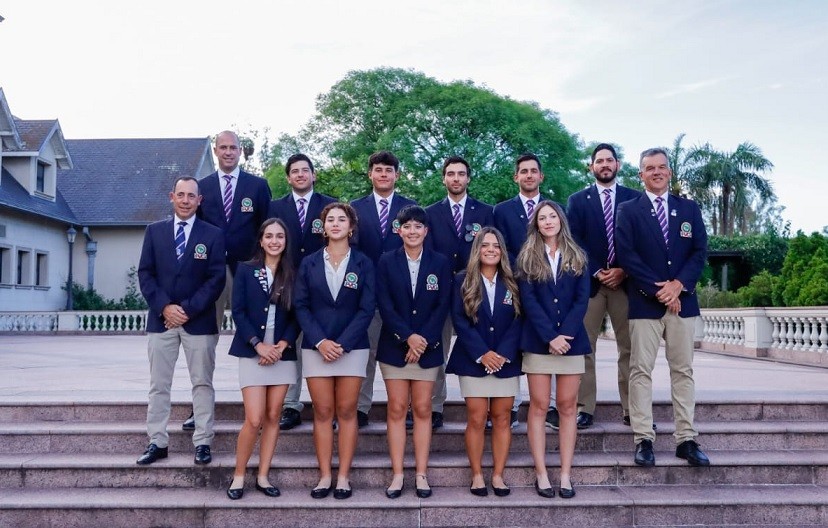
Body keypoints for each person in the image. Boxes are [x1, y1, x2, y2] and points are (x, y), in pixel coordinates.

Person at [616, 148, 710, 468]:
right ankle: (643, 438)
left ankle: (686, 439)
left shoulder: (689, 209)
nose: (656, 172)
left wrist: (678, 285)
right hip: (645, 304)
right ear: (640, 174)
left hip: (683, 303)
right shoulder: (629, 210)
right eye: (649, 168)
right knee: (640, 371)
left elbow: (699, 251)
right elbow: (627, 256)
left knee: (683, 371)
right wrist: (660, 290)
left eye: (661, 167)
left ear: (669, 172)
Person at [136, 176, 226, 466]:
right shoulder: (154, 232)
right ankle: (157, 442)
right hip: (161, 321)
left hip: (198, 322)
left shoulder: (213, 235)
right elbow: (145, 273)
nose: (186, 200)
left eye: (191, 196)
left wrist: (185, 310)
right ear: (171, 196)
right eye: (181, 194)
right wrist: (164, 307)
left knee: (202, 383)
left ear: (200, 200)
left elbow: (216, 279)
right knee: (159, 385)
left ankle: (203, 441)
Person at [187, 130, 271, 432]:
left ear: (240, 151)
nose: (228, 152)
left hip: (248, 270)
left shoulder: (257, 186)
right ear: (215, 151)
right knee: (203, 341)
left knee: (256, 334)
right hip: (209, 273)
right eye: (222, 147)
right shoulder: (202, 187)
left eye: (233, 147)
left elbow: (268, 229)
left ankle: (261, 404)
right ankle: (200, 407)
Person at [294, 202, 376, 500]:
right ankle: (325, 475)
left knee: (347, 411)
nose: (336, 224)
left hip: (352, 348)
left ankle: (343, 477)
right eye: (331, 219)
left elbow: (367, 308)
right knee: (323, 411)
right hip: (317, 349)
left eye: (342, 219)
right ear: (323, 227)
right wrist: (321, 341)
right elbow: (301, 305)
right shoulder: (309, 263)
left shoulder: (364, 263)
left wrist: (343, 343)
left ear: (351, 227)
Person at [376, 205, 451, 499]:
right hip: (394, 346)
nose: (412, 231)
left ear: (426, 231)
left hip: (428, 348)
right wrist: (407, 337)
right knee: (396, 409)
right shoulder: (386, 261)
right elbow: (385, 304)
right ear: (399, 230)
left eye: (418, 226)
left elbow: (442, 305)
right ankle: (397, 474)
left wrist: (423, 341)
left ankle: (421, 474)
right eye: (406, 226)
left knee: (422, 409)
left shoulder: (440, 262)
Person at [517, 200, 589, 499]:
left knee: (568, 406)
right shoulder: (527, 257)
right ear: (536, 224)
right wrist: (550, 336)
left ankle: (566, 474)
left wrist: (565, 335)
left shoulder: (578, 255)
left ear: (561, 220)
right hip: (539, 342)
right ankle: (542, 473)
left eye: (552, 216)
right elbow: (529, 301)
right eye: (542, 218)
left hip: (571, 343)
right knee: (538, 406)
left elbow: (582, 299)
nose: (548, 221)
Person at [566, 143, 640, 429]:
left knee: (630, 349)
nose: (605, 165)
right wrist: (598, 270)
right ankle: (585, 408)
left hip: (626, 284)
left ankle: (633, 409)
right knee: (585, 348)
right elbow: (574, 241)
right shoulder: (577, 201)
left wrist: (624, 270)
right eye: (599, 161)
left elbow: (640, 241)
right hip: (590, 285)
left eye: (610, 160)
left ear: (617, 165)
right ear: (591, 167)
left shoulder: (634, 199)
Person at [225, 218, 299, 500]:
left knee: (273, 416)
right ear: (261, 240)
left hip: (282, 353)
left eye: (280, 236)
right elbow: (239, 311)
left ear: (286, 241)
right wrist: (258, 345)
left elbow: (298, 314)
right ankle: (239, 475)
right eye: (269, 236)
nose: (274, 241)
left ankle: (263, 475)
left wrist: (282, 344)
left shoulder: (293, 272)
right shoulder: (246, 270)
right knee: (254, 418)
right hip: (252, 351)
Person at [446, 227, 522, 498]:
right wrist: (482, 353)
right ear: (477, 249)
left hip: (506, 359)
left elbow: (520, 319)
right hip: (472, 359)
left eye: (496, 246)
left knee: (502, 418)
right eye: (485, 245)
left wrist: (502, 353)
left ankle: (498, 475)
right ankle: (477, 475)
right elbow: (459, 319)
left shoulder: (513, 280)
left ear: (502, 251)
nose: (491, 250)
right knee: (477, 418)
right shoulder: (462, 280)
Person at [268, 153, 336, 431]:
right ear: (288, 178)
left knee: (324, 341)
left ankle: (329, 407)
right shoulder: (274, 207)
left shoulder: (330, 205)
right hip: (285, 283)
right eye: (294, 171)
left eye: (305, 170)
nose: (300, 174)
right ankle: (290, 405)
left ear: (313, 174)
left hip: (322, 285)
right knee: (288, 344)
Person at [425, 156, 494, 428]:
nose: (456, 178)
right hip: (440, 293)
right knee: (436, 350)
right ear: (444, 178)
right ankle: (434, 406)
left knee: (481, 345)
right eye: (451, 174)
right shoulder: (430, 213)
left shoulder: (485, 211)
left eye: (461, 174)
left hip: (476, 290)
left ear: (468, 178)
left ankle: (486, 407)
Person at [350, 151, 416, 428]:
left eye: (389, 170)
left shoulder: (410, 207)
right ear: (370, 174)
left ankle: (408, 407)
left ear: (397, 175)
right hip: (366, 292)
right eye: (378, 170)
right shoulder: (355, 208)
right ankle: (360, 407)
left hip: (401, 293)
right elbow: (351, 250)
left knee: (405, 350)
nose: (384, 174)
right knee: (364, 352)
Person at [493, 153, 557, 429]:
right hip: (512, 282)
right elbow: (500, 246)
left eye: (533, 171)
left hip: (547, 287)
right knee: (511, 342)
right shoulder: (502, 210)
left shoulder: (554, 209)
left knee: (548, 340)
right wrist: (522, 267)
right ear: (516, 177)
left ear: (541, 176)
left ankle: (551, 405)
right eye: (524, 171)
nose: (529, 175)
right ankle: (512, 404)